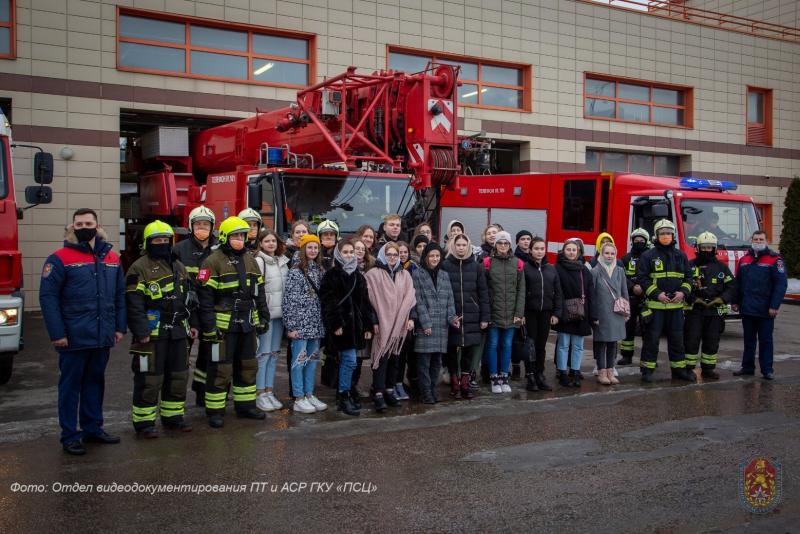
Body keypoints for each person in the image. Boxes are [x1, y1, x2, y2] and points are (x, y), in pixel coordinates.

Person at [40, 208, 126, 455]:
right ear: (72, 227)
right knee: (70, 388)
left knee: (94, 384)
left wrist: (119, 327)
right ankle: (69, 435)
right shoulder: (59, 258)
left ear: (97, 226)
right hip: (73, 338)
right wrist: (58, 334)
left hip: (101, 336)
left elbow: (119, 294)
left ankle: (93, 429)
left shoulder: (111, 257)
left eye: (88, 222)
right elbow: (48, 298)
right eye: (79, 223)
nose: (84, 226)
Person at [197, 216, 270, 427]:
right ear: (224, 237)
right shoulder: (212, 261)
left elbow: (259, 292)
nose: (239, 239)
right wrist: (209, 327)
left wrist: (263, 317)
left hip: (246, 324)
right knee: (220, 369)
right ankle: (215, 411)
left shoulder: (251, 260)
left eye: (242, 235)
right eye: (235, 235)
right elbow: (205, 298)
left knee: (247, 366)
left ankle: (246, 406)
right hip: (223, 326)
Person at [126, 220, 195, 437]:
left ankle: (173, 418)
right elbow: (133, 303)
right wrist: (141, 331)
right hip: (152, 334)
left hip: (177, 331)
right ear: (148, 243)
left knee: (178, 376)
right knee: (149, 379)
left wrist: (192, 325)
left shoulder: (179, 266)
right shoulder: (139, 267)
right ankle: (144, 424)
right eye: (157, 240)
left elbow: (189, 299)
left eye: (165, 240)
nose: (162, 244)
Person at [320, 239, 377, 416]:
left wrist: (368, 325)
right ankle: (343, 395)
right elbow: (328, 302)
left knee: (349, 362)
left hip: (355, 327)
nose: (349, 255)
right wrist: (335, 323)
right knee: (349, 361)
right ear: (338, 254)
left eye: (351, 252)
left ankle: (343, 394)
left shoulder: (358, 276)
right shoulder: (331, 275)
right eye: (345, 252)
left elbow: (365, 303)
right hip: (341, 327)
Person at [637, 219, 695, 383]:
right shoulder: (648, 255)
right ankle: (647, 370)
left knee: (677, 340)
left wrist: (683, 293)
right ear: (656, 235)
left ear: (673, 235)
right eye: (662, 233)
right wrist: (657, 294)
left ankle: (678, 370)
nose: (665, 236)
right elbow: (643, 278)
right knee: (652, 340)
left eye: (668, 233)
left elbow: (689, 277)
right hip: (656, 307)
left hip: (676, 307)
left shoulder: (680, 255)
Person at [173, 205, 217, 407]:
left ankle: (202, 392)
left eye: (205, 224)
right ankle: (175, 401)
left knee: (209, 356)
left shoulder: (217, 248)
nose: (202, 228)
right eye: (198, 224)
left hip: (210, 310)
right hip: (187, 311)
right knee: (181, 358)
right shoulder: (179, 249)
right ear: (191, 227)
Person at [364, 243, 417, 411]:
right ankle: (378, 393)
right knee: (381, 359)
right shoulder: (373, 274)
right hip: (382, 324)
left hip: (399, 324)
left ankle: (389, 390)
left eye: (395, 255)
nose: (393, 257)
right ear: (382, 255)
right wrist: (374, 322)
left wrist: (412, 318)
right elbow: (369, 301)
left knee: (395, 359)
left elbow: (411, 299)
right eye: (389, 254)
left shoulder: (405, 275)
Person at [732, 230, 788, 380]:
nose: (758, 241)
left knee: (765, 341)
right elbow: (738, 283)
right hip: (748, 308)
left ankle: (767, 369)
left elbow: (780, 285)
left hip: (765, 309)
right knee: (748, 341)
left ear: (767, 241)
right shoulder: (744, 260)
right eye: (755, 239)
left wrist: (774, 306)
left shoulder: (775, 260)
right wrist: (735, 302)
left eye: (761, 239)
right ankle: (748, 367)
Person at [282, 234, 328, 414]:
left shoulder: (319, 270)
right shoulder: (295, 271)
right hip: (300, 325)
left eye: (316, 247)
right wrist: (291, 326)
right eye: (309, 247)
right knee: (298, 362)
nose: (313, 250)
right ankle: (298, 397)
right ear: (303, 249)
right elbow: (289, 300)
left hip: (315, 325)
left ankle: (309, 394)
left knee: (312, 361)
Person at [442, 234, 490, 399]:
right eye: (458, 245)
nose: (461, 247)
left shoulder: (477, 267)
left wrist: (485, 317)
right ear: (453, 246)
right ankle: (455, 383)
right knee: (451, 351)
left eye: (464, 245)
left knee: (469, 351)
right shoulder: (445, 265)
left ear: (468, 246)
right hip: (452, 316)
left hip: (472, 315)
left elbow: (483, 293)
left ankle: (465, 383)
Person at [684, 232, 735, 380]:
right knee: (691, 340)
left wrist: (722, 299)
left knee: (712, 341)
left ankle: (708, 369)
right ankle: (688, 368)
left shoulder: (722, 268)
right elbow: (683, 285)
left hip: (715, 311)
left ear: (715, 248)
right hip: (695, 310)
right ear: (698, 248)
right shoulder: (690, 265)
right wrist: (694, 299)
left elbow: (731, 286)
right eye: (704, 247)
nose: (707, 250)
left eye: (710, 247)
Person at [484, 231, 525, 393]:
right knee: (493, 344)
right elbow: (485, 290)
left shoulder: (518, 263)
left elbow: (521, 291)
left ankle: (504, 376)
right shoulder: (487, 263)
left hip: (512, 314)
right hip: (494, 313)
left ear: (509, 245)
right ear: (495, 245)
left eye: (505, 243)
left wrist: (519, 313)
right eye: (499, 243)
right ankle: (494, 378)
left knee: (507, 345)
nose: (502, 246)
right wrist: (487, 313)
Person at [518, 236, 561, 391]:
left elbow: (558, 293)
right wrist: (521, 313)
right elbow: (521, 292)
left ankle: (540, 375)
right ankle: (530, 376)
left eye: (542, 248)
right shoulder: (525, 268)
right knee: (530, 345)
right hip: (530, 313)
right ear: (530, 250)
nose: (539, 251)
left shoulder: (551, 268)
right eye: (536, 248)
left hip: (546, 313)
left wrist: (556, 313)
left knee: (541, 346)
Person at [253, 229, 289, 411]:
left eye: (273, 241)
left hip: (280, 316)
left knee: (274, 354)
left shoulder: (283, 262)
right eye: (267, 241)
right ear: (260, 243)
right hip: (266, 316)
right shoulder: (259, 262)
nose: (271, 244)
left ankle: (269, 391)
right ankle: (259, 393)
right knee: (263, 355)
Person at [554, 239, 594, 388]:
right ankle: (563, 372)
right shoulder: (557, 268)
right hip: (564, 312)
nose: (571, 252)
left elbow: (591, 293)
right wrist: (558, 311)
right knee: (563, 344)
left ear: (578, 253)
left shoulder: (584, 270)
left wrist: (592, 315)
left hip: (581, 313)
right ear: (563, 251)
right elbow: (556, 292)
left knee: (578, 345)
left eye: (574, 250)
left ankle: (575, 371)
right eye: (568, 249)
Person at [590, 242, 628, 385]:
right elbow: (591, 295)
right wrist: (593, 314)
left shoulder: (620, 271)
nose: (610, 256)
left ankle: (611, 371)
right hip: (601, 313)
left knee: (613, 343)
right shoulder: (595, 271)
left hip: (616, 312)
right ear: (601, 253)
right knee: (601, 343)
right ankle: (601, 372)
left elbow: (624, 292)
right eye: (607, 253)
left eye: (612, 253)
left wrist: (626, 310)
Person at [618, 228, 649, 366]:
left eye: (642, 241)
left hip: (646, 299)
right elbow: (621, 277)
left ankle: (647, 357)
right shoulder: (625, 258)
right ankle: (626, 356)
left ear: (647, 242)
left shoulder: (650, 258)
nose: (639, 243)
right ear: (632, 242)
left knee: (647, 329)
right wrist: (632, 287)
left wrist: (644, 288)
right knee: (628, 328)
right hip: (629, 298)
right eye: (636, 241)